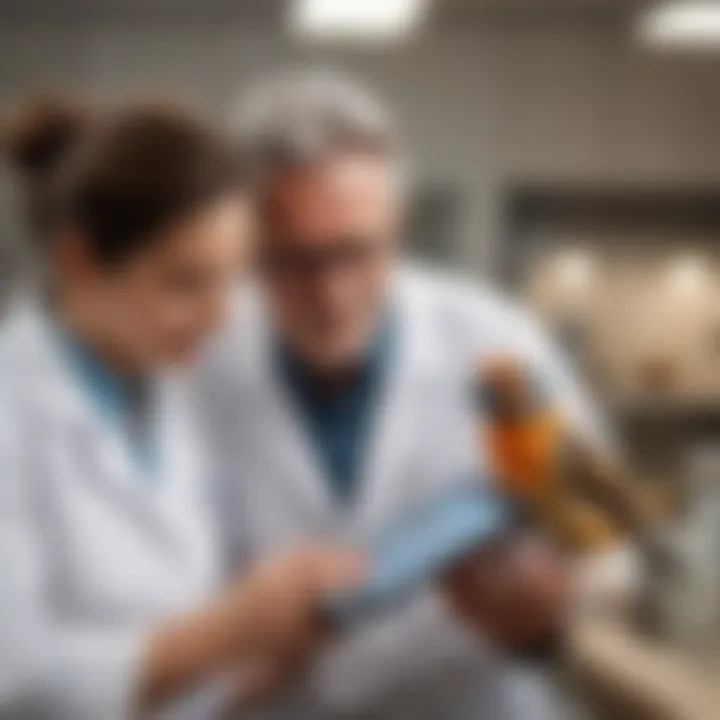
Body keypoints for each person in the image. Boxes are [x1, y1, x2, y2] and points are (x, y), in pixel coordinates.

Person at [193, 71, 602, 719]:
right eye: (293, 261)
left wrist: (545, 610)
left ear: (399, 225)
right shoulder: (193, 364)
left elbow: (608, 553)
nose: (332, 296)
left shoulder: (500, 344)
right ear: (245, 243)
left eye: (357, 252)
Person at [0, 96, 364, 720]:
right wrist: (228, 632)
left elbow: (165, 636)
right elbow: (19, 684)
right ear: (78, 260)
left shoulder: (162, 385)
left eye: (234, 279)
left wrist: (264, 652)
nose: (222, 318)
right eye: (186, 283)